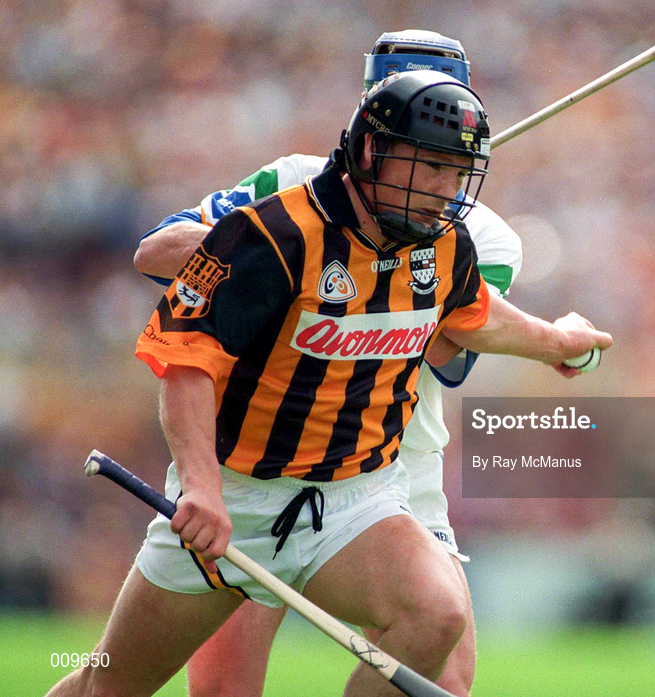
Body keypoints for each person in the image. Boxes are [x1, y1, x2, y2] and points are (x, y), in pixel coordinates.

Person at [49, 71, 611, 697]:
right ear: (373, 151)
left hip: (355, 501)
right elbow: (184, 359)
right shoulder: (271, 235)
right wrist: (202, 487)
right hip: (236, 501)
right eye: (431, 168)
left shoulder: (442, 244)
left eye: (459, 174)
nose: (446, 192)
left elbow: (474, 313)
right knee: (108, 686)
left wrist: (559, 342)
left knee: (436, 615)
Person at [133, 30, 523, 697]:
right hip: (261, 461)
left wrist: (389, 242)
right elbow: (159, 252)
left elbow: (444, 352)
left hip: (394, 470)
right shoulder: (291, 187)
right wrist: (290, 251)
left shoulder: (482, 234)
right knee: (224, 689)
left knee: (443, 677)